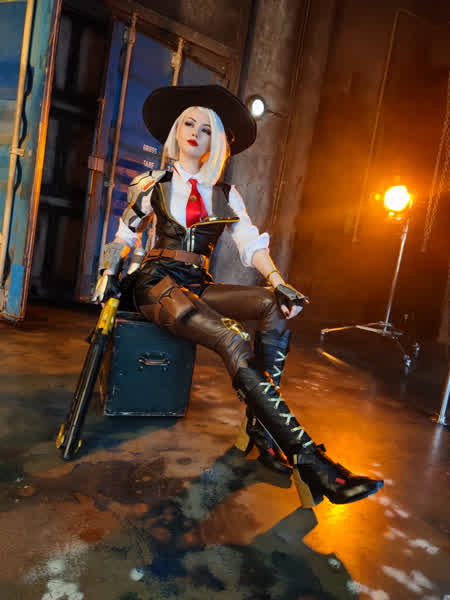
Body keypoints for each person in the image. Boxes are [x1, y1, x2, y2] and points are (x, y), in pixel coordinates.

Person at [93, 85, 383, 508]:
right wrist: (108, 273)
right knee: (232, 338)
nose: (195, 133)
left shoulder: (225, 194)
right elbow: (124, 236)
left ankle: (261, 433)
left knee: (270, 306)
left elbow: (249, 243)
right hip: (156, 282)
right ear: (176, 131)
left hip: (197, 282)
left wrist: (277, 281)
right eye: (189, 123)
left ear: (217, 142)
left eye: (206, 129)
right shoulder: (152, 183)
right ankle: (311, 461)